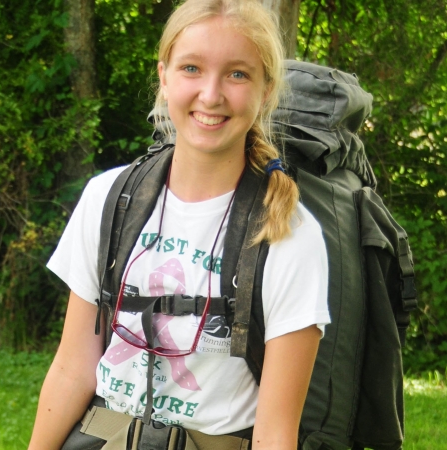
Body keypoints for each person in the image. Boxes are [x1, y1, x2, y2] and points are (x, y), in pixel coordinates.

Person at [30, 0, 329, 447]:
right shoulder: (108, 199)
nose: (211, 95)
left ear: (266, 90)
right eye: (191, 68)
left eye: (237, 74)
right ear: (163, 76)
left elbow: (275, 431)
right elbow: (73, 368)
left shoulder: (289, 233)